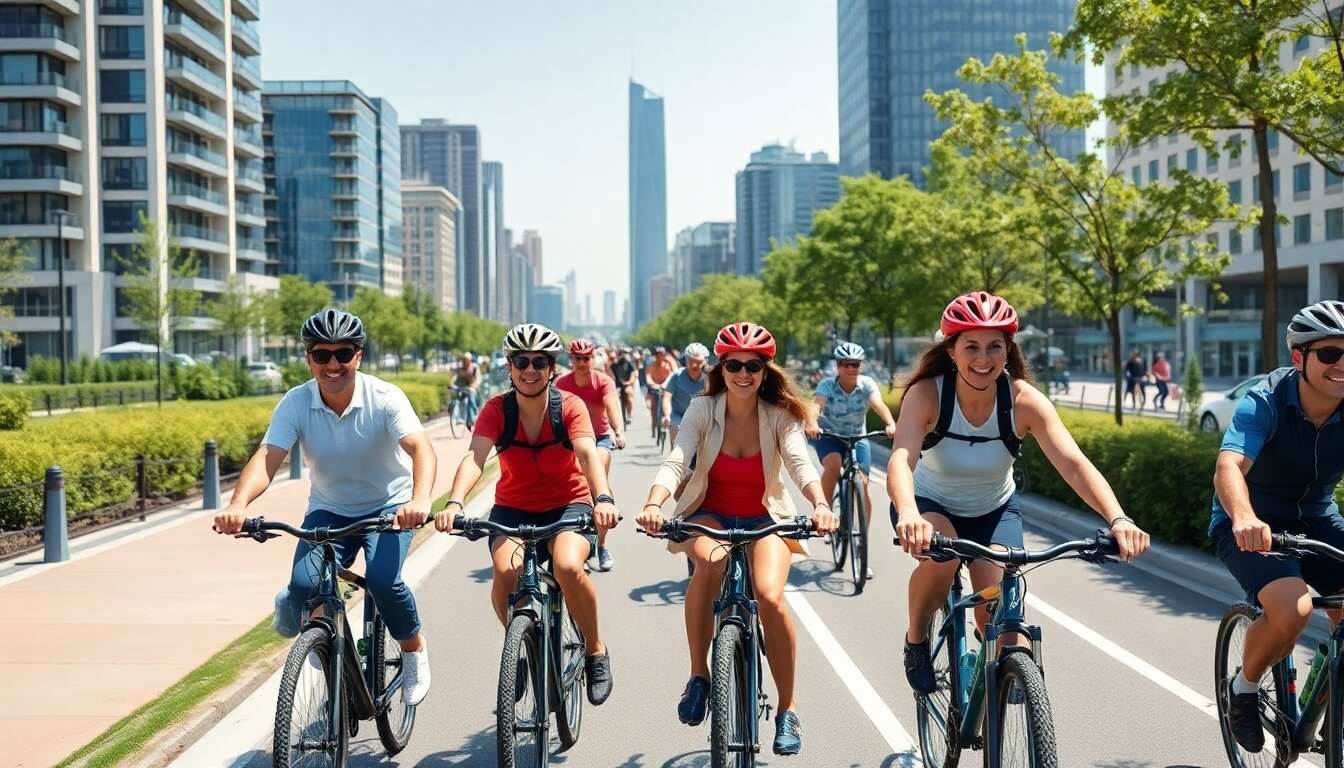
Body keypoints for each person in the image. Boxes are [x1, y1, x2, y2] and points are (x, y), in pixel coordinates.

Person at [889, 291, 1149, 696]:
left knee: (1001, 622)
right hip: (928, 506)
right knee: (942, 562)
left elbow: (1074, 463)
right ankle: (916, 640)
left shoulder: (1024, 400)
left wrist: (1118, 518)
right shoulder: (927, 395)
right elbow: (901, 459)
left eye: (995, 346)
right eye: (971, 346)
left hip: (994, 509)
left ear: (1008, 350)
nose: (983, 358)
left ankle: (1010, 681)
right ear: (952, 350)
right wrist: (907, 512)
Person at [212, 308, 438, 706]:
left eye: (343, 353)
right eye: (321, 355)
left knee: (384, 582)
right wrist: (238, 505)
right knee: (303, 585)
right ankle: (313, 619)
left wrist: (419, 500)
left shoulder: (385, 397)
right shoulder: (296, 402)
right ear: (308, 359)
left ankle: (414, 650)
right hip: (330, 508)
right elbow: (269, 456)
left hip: (390, 506)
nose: (333, 364)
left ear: (359, 355)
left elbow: (421, 448)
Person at [637, 321, 838, 757]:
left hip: (765, 517)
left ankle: (788, 708)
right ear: (720, 368)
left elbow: (801, 463)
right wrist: (655, 503)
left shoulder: (780, 415)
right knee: (708, 564)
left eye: (752, 366)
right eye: (734, 366)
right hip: (710, 513)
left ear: (766, 371)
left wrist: (820, 504)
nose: (743, 374)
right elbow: (678, 457)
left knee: (768, 594)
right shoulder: (702, 408)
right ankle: (698, 676)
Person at [434, 323, 619, 706]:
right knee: (505, 572)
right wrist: (454, 502)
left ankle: (595, 651)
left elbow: (587, 454)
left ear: (553, 369)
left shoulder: (569, 406)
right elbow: (475, 458)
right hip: (514, 509)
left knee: (568, 567)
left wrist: (602, 497)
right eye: (521, 361)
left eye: (539, 362)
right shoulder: (496, 410)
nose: (530, 369)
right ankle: (517, 646)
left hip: (570, 504)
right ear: (509, 367)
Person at [1212, 299, 1344, 754]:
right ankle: (1244, 689)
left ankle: (1330, 700)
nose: (1341, 365)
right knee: (1295, 611)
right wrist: (1245, 517)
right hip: (1252, 520)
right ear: (1299, 357)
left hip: (1318, 518)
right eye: (1329, 354)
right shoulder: (1265, 399)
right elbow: (1229, 465)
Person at [805, 342, 897, 579]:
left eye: (855, 364)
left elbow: (878, 405)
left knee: (862, 483)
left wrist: (889, 423)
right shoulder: (827, 384)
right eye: (845, 364)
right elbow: (816, 406)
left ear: (861, 365)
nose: (850, 368)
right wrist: (813, 423)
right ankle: (823, 510)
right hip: (830, 436)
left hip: (858, 438)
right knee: (834, 464)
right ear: (838, 366)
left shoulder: (867, 384)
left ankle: (860, 542)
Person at [556, 337, 627, 572]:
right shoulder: (562, 384)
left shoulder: (602, 381)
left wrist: (619, 431)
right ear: (571, 360)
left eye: (587, 358)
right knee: (571, 491)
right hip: (571, 442)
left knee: (597, 480)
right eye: (578, 359)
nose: (583, 363)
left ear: (593, 358)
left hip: (600, 439)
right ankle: (580, 545)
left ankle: (602, 545)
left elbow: (612, 406)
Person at [660, 342, 710, 446]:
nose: (694, 365)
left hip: (701, 417)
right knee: (678, 438)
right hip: (678, 415)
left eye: (698, 362)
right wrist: (667, 415)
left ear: (705, 361)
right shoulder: (677, 376)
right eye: (690, 361)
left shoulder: (709, 378)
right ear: (686, 360)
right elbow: (667, 397)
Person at [644, 346, 676, 421]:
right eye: (657, 355)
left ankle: (667, 418)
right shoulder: (650, 365)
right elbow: (648, 378)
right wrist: (654, 385)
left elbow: (675, 373)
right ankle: (654, 423)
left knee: (672, 401)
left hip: (667, 387)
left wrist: (671, 363)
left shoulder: (669, 364)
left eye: (662, 354)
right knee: (650, 405)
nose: (660, 357)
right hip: (655, 387)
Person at [610, 348, 638, 428]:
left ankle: (629, 415)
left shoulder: (629, 363)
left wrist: (630, 382)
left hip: (627, 384)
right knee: (614, 400)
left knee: (629, 396)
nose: (622, 355)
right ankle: (616, 417)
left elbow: (633, 373)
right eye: (620, 353)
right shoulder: (614, 364)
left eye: (624, 353)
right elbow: (610, 373)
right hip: (617, 386)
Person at [453, 351, 482, 426]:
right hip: (463, 388)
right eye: (464, 360)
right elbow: (455, 377)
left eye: (467, 360)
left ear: (469, 360)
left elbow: (478, 378)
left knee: (471, 399)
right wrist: (453, 384)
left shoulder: (474, 367)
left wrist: (475, 385)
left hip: (472, 388)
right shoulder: (460, 368)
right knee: (458, 400)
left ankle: (474, 414)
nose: (465, 361)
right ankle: (459, 418)